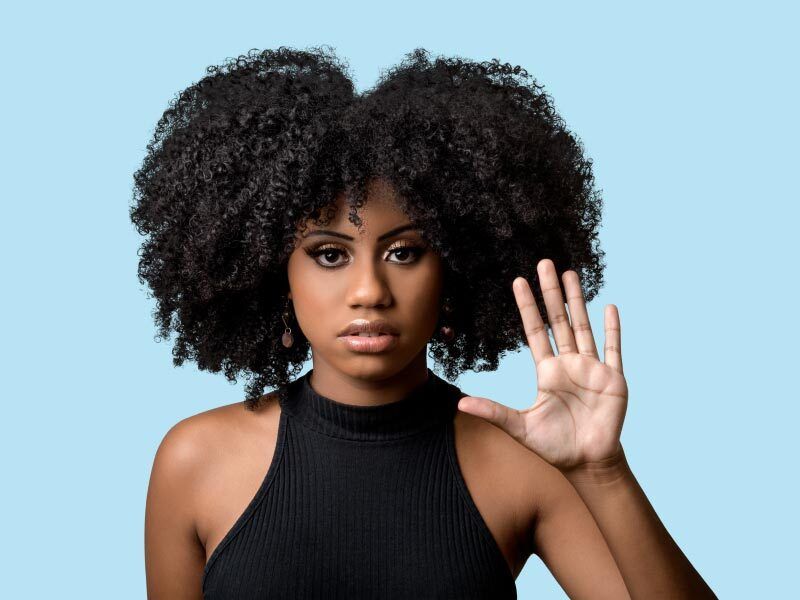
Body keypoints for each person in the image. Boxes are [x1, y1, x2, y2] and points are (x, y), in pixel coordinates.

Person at [135, 46, 716, 599]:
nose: (369, 291)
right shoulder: (195, 460)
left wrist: (604, 472)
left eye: (404, 252)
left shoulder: (521, 463)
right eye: (330, 254)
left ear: (455, 269)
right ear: (275, 275)